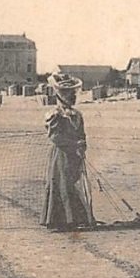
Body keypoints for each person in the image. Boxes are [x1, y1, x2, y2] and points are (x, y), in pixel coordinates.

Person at [42, 73, 96, 231]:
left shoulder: (77, 115)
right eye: (68, 94)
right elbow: (55, 137)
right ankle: (59, 220)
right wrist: (74, 144)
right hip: (61, 155)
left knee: (73, 184)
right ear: (60, 96)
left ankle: (75, 218)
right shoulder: (55, 115)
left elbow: (82, 133)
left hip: (74, 156)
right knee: (60, 184)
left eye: (73, 94)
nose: (72, 97)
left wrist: (82, 144)